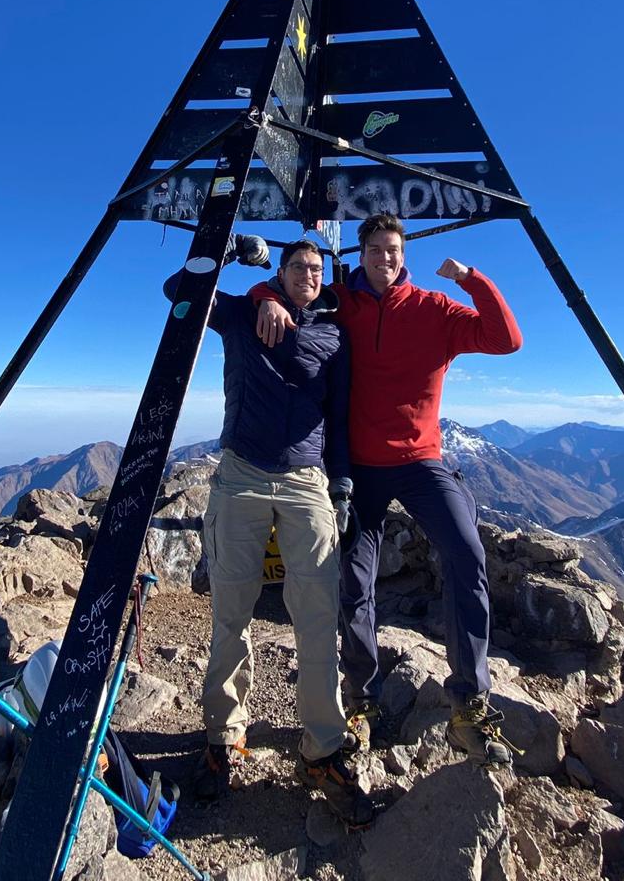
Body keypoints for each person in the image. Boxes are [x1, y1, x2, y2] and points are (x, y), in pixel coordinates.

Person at [254, 213, 523, 767]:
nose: (386, 258)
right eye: (376, 249)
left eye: (394, 250)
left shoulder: (434, 310)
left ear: (405, 255)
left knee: (468, 553)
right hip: (359, 469)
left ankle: (470, 704)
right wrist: (265, 297)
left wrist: (471, 278)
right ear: (363, 252)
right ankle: (362, 701)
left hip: (422, 462)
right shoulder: (340, 301)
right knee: (355, 581)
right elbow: (291, 284)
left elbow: (506, 339)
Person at [168, 235, 373, 827]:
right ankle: (222, 739)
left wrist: (341, 484)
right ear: (280, 272)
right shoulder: (240, 312)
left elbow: (337, 417)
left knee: (316, 618)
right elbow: (177, 290)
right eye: (297, 267)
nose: (309, 274)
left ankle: (323, 751)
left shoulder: (334, 337)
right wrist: (235, 258)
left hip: (307, 480)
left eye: (316, 268)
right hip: (240, 475)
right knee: (229, 611)